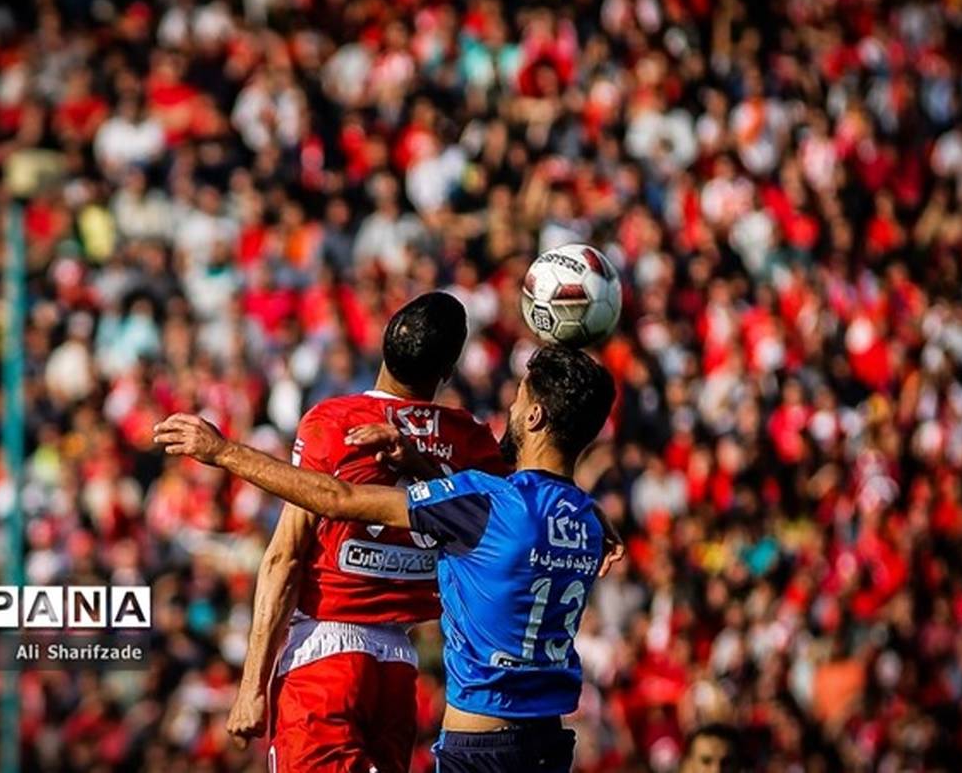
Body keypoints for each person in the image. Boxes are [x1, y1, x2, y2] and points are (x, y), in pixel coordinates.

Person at [155, 344, 620, 772]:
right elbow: (505, 516)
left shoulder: (491, 503)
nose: (511, 410)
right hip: (548, 743)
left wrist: (224, 452)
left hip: (480, 748)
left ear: (535, 416)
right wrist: (416, 464)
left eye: (518, 401)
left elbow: (335, 498)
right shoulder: (588, 521)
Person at [223, 292, 509, 772]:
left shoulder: (334, 423)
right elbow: (505, 518)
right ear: (447, 370)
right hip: (397, 668)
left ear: (383, 345)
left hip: (324, 658)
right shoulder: (471, 441)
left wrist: (252, 686)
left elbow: (284, 557)